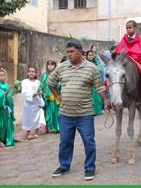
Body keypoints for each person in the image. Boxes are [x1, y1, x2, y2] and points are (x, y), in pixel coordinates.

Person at [47, 40, 111, 180]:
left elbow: (99, 87)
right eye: (68, 52)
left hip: (85, 114)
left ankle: (89, 168)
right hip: (65, 114)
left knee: (89, 142)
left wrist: (106, 100)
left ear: (81, 52)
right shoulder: (62, 67)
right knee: (65, 142)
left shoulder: (92, 68)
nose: (69, 54)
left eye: (72, 52)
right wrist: (57, 95)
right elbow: (50, 82)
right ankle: (64, 165)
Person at [0, 69, 16, 147]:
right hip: (0, 110)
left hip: (7, 108)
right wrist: (7, 92)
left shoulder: (6, 85)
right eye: (1, 75)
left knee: (8, 123)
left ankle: (9, 137)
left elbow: (9, 96)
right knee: (0, 124)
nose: (3, 77)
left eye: (4, 75)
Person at [21, 65, 44, 140]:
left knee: (37, 117)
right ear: (27, 73)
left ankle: (36, 132)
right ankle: (28, 133)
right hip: (28, 103)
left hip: (36, 103)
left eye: (33, 72)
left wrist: (41, 101)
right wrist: (31, 95)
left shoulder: (38, 82)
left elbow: (40, 91)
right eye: (30, 71)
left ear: (36, 73)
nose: (31, 73)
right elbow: (24, 92)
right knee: (28, 118)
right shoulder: (24, 82)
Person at [41, 60, 60, 133]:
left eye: (52, 65)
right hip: (48, 96)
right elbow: (42, 84)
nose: (50, 66)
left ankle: (57, 126)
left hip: (56, 95)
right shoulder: (45, 75)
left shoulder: (57, 75)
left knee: (56, 111)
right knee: (48, 111)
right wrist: (42, 92)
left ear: (55, 66)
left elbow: (60, 84)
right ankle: (48, 126)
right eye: (48, 65)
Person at [86, 51, 104, 116]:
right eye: (89, 55)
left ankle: (97, 110)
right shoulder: (86, 64)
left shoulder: (95, 63)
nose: (91, 56)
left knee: (97, 98)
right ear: (87, 56)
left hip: (96, 82)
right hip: (89, 83)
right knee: (91, 98)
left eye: (92, 55)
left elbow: (100, 72)